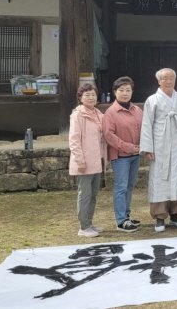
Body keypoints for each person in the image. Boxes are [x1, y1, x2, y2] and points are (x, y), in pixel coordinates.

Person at [140, 68, 177, 232]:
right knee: (160, 180)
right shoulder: (152, 100)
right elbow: (147, 124)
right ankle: (160, 217)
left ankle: (175, 214)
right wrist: (147, 147)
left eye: (171, 78)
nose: (168, 81)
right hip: (160, 145)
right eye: (165, 78)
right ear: (159, 81)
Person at [102, 76, 143, 233]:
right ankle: (121, 220)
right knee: (121, 187)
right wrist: (128, 147)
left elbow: (144, 129)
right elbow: (109, 135)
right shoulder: (111, 113)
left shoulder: (137, 110)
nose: (125, 93)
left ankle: (127, 215)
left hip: (135, 155)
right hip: (120, 156)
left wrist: (141, 147)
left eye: (128, 90)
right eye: (121, 90)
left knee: (130, 186)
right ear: (115, 92)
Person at [69, 83, 107, 238]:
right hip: (84, 162)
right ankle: (83, 227)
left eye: (93, 94)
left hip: (97, 160)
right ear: (80, 98)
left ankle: (89, 223)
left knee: (93, 195)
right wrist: (80, 160)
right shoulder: (77, 115)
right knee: (85, 194)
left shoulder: (98, 113)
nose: (91, 97)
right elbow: (74, 140)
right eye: (87, 95)